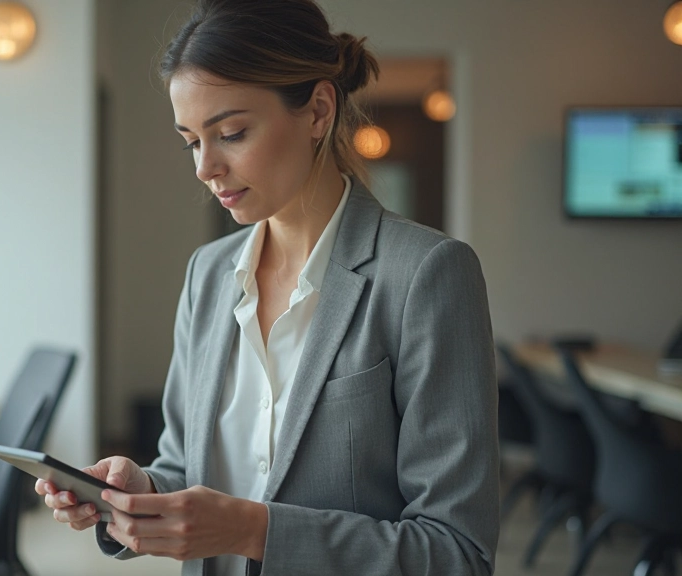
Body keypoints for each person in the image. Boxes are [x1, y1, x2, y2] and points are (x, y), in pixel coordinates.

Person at [36, 0, 499, 574]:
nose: (206, 167)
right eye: (191, 141)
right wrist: (141, 490)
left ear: (318, 111)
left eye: (230, 132)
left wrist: (255, 529)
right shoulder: (208, 274)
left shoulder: (426, 274)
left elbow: (457, 553)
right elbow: (186, 469)